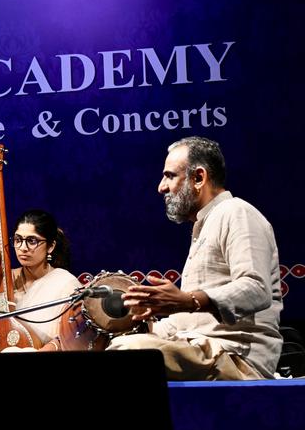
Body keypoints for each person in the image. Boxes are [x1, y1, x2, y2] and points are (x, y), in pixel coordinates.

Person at [112, 137, 282, 380]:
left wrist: (189, 300)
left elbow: (256, 288)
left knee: (130, 352)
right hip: (202, 348)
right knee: (117, 343)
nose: (161, 187)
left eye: (169, 176)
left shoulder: (237, 212)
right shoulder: (204, 226)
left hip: (236, 358)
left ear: (199, 178)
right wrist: (141, 320)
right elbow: (186, 323)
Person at [0, 209, 82, 352]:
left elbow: (72, 337)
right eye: (18, 240)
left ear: (50, 246)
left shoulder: (65, 283)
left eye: (31, 241)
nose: (22, 248)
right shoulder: (3, 282)